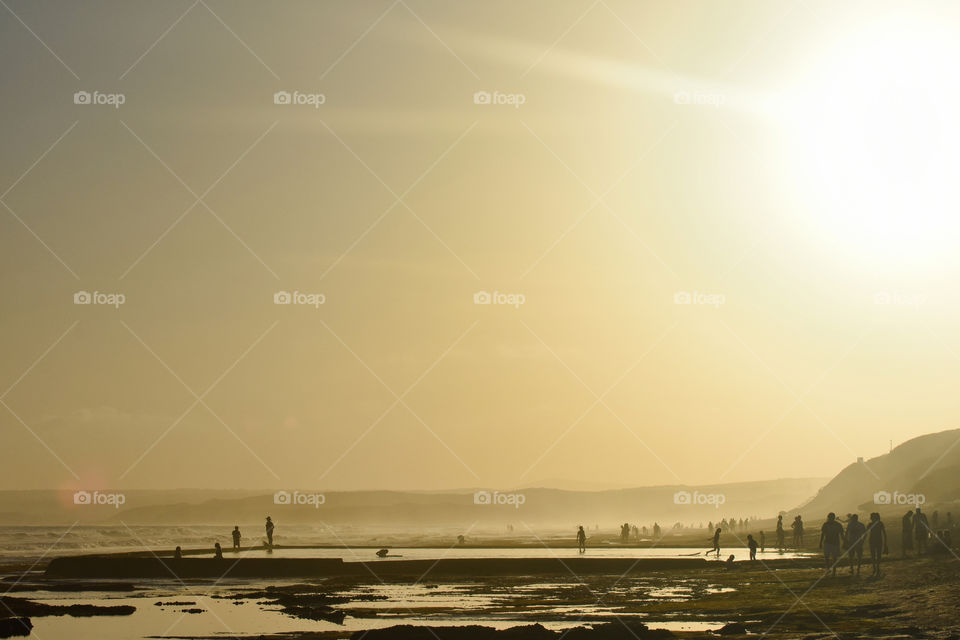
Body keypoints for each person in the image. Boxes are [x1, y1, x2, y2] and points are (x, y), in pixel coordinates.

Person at [819, 512, 845, 576]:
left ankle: (833, 571)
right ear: (829, 518)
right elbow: (823, 534)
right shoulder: (826, 524)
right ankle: (829, 569)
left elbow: (842, 535)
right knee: (827, 557)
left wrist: (845, 541)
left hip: (834, 543)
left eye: (832, 517)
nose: (831, 519)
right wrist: (820, 542)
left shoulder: (837, 525)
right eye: (830, 517)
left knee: (834, 557)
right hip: (828, 542)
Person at [867, 512, 888, 577]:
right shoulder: (880, 523)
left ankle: (875, 568)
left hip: (873, 540)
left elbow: (865, 532)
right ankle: (877, 568)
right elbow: (884, 533)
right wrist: (885, 542)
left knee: (873, 555)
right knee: (878, 555)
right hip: (878, 540)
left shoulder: (870, 524)